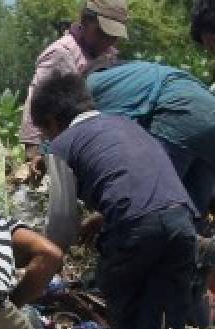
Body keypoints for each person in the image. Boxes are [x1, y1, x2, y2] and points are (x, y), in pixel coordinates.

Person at [32, 72, 200, 329]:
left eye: (45, 133)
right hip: (181, 221)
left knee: (120, 290)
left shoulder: (62, 146)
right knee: (164, 308)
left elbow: (62, 221)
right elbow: (143, 181)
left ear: (52, 121)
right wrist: (102, 216)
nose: (47, 140)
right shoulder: (127, 124)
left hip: (135, 227)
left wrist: (43, 262)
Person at [86, 59, 215, 221]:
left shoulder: (94, 83)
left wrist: (104, 214)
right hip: (210, 114)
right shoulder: (144, 72)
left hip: (179, 116)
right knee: (192, 213)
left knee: (148, 195)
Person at [20, 0, 127, 174]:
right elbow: (36, 99)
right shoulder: (63, 53)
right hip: (65, 141)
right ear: (85, 22)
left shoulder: (109, 55)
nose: (108, 40)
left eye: (114, 36)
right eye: (102, 33)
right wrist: (33, 151)